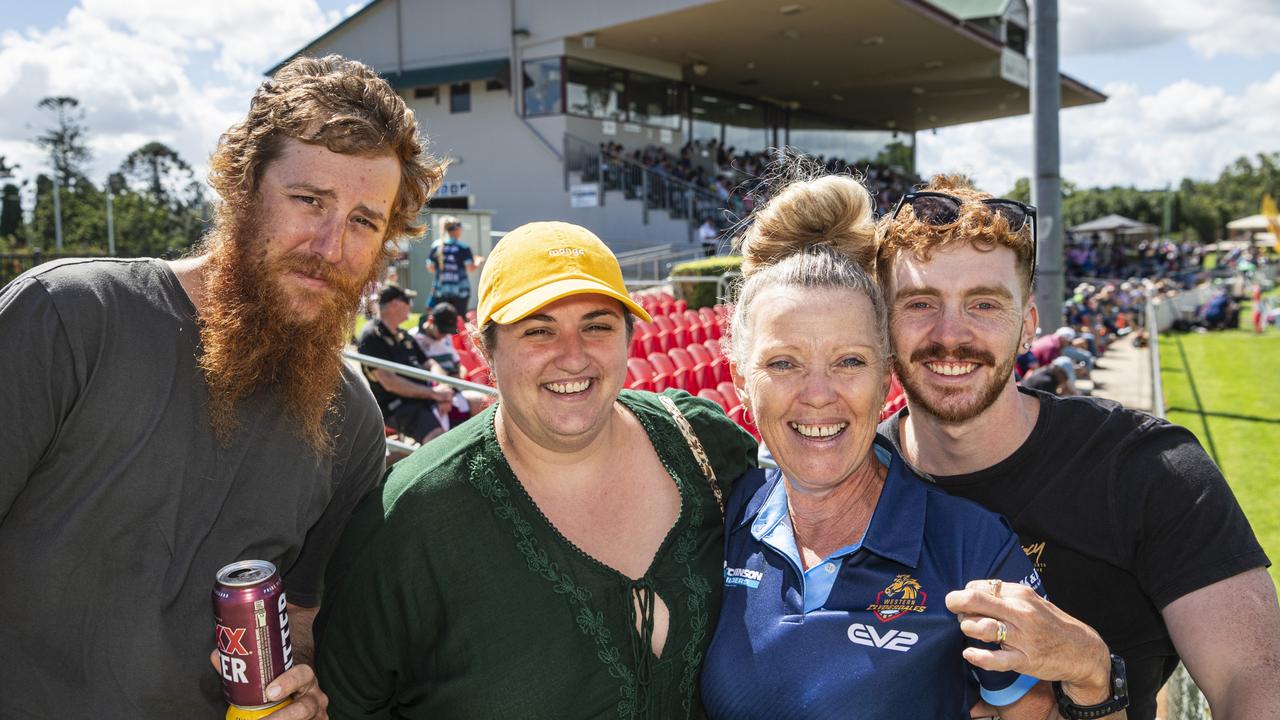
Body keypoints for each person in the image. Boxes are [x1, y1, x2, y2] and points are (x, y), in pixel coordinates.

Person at [0, 55, 445, 718]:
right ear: (243, 187)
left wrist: (302, 692)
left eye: (362, 221)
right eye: (308, 201)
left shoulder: (349, 417)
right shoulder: (68, 318)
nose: (330, 246)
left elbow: (298, 625)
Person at [699, 172, 1116, 719]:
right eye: (783, 363)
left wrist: (1093, 676)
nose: (817, 396)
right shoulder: (725, 515)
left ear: (886, 376)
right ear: (740, 379)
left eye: (849, 362)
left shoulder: (971, 549)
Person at [314, 221, 758, 718]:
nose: (573, 356)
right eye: (538, 330)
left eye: (597, 325)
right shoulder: (409, 521)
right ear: (486, 349)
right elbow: (342, 704)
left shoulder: (702, 446)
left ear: (628, 337)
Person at [876, 175, 1280, 720]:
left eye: (985, 304)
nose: (952, 334)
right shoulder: (852, 480)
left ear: (1028, 327)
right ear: (883, 326)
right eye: (920, 303)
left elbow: (1252, 681)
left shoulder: (1151, 470)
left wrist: (1092, 674)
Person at [358, 284, 456, 443]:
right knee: (440, 442)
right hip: (399, 406)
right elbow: (390, 382)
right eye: (407, 301)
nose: (410, 305)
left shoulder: (403, 335)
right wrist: (434, 394)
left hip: (424, 398)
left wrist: (442, 387)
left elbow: (430, 363)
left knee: (478, 404)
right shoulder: (372, 335)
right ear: (395, 303)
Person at [427, 215, 483, 311]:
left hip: (441, 290)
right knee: (459, 320)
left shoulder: (436, 246)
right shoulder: (463, 247)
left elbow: (430, 268)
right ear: (457, 230)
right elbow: (471, 268)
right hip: (460, 292)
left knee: (441, 318)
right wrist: (478, 261)